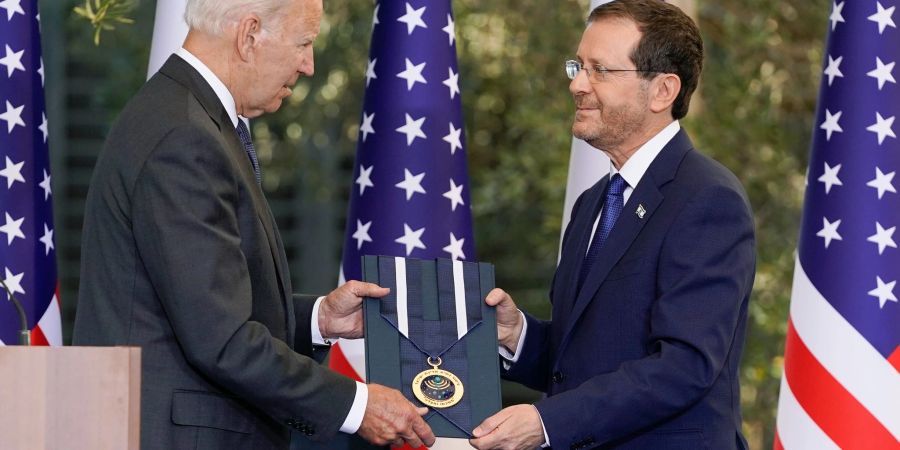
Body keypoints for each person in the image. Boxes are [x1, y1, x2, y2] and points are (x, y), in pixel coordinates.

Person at [72, 1, 436, 449]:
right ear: (248, 35)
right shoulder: (185, 137)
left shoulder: (188, 117)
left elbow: (202, 303)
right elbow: (221, 340)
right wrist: (358, 405)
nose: (308, 65)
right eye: (303, 43)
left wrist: (320, 318)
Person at [469, 1, 755, 449]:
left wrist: (547, 422)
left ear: (662, 91)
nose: (577, 85)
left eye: (599, 70)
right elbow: (583, 361)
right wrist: (519, 336)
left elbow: (684, 365)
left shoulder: (708, 199)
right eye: (577, 66)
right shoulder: (592, 204)